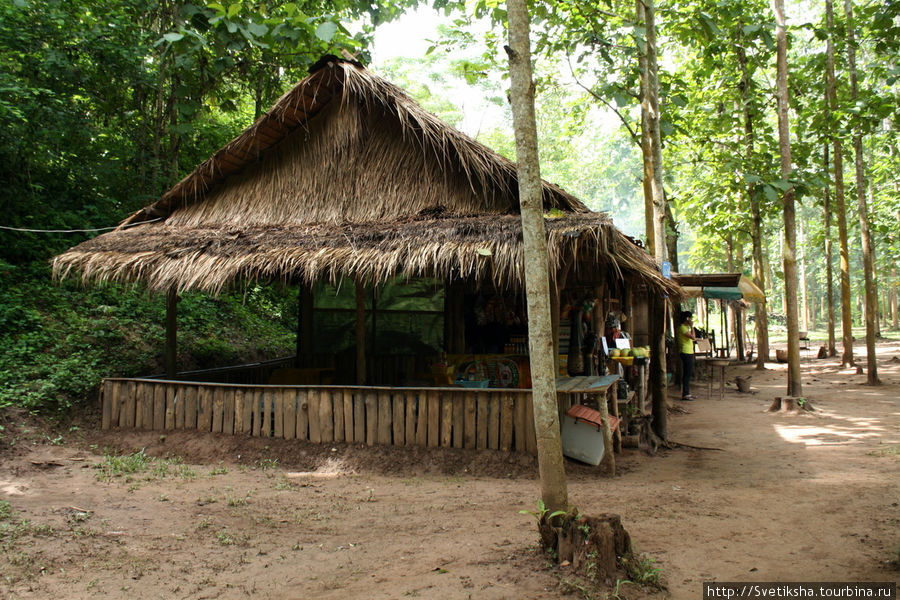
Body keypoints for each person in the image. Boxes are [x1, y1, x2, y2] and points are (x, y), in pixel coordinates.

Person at [677, 310, 697, 400]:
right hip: (685, 352)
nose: (691, 320)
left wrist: (691, 328)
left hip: (689, 352)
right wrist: (692, 327)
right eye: (690, 318)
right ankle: (685, 393)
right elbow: (693, 337)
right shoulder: (682, 328)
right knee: (687, 373)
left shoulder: (685, 327)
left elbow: (694, 337)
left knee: (688, 373)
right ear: (687, 319)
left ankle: (687, 392)